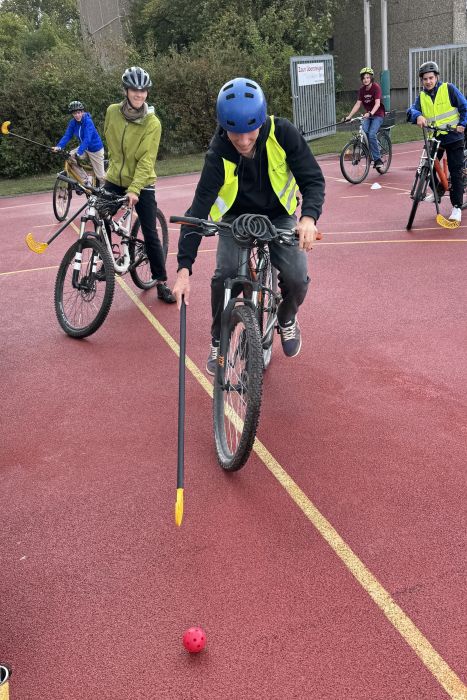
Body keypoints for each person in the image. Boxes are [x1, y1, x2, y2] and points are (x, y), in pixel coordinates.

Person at [172, 77, 325, 375]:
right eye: (234, 133)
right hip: (235, 219)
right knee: (226, 274)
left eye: (250, 132)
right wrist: (183, 270)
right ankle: (219, 337)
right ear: (223, 127)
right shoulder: (218, 153)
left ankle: (286, 316)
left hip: (278, 216)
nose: (243, 141)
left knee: (297, 276)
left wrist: (308, 218)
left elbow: (312, 179)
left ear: (261, 120)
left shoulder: (283, 133)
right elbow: (197, 210)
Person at [103, 66, 175, 303]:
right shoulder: (112, 112)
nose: (139, 94)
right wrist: (110, 170)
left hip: (142, 183)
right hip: (115, 179)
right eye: (135, 89)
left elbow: (146, 160)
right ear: (126, 90)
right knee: (100, 215)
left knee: (150, 232)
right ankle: (107, 258)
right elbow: (110, 142)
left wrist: (135, 189)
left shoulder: (152, 123)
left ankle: (161, 281)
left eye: (143, 90)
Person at [407, 60, 467, 223]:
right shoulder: (422, 96)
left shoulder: (448, 89)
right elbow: (411, 110)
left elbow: (464, 107)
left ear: (437, 77)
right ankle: (438, 190)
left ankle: (456, 207)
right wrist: (417, 115)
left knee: (455, 171)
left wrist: (462, 124)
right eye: (425, 79)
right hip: (435, 137)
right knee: (428, 165)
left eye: (431, 78)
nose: (428, 81)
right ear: (422, 80)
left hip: (453, 136)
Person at [52, 101, 105, 186]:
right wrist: (59, 146)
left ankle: (107, 191)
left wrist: (79, 152)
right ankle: (86, 180)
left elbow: (87, 139)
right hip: (84, 148)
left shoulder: (88, 122)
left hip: (95, 150)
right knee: (69, 156)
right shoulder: (73, 123)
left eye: (78, 112)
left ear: (82, 112)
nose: (77, 115)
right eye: (74, 113)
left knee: (101, 177)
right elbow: (67, 135)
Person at [344, 67, 386, 173]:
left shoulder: (376, 87)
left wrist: (371, 113)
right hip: (368, 115)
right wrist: (349, 116)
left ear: (371, 78)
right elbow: (358, 104)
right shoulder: (362, 90)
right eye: (363, 78)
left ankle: (378, 160)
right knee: (364, 132)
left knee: (371, 134)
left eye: (368, 77)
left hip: (378, 115)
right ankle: (370, 151)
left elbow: (377, 104)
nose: (365, 80)